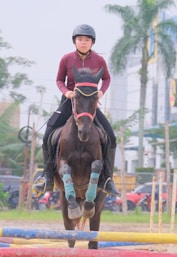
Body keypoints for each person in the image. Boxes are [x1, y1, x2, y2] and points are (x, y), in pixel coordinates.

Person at [38, 24, 120, 197]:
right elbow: (59, 79)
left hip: (90, 105)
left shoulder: (99, 61)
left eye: (87, 40)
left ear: (92, 43)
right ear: (75, 41)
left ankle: (107, 179)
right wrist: (66, 92)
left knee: (111, 137)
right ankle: (47, 177)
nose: (83, 43)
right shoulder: (66, 59)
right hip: (69, 102)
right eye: (80, 39)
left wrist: (101, 92)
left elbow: (107, 78)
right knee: (47, 136)